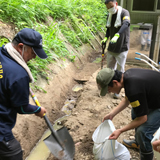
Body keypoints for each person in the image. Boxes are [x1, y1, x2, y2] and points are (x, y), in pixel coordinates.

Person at [0, 28, 47, 160]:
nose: (34, 57)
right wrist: (38, 109)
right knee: (13, 154)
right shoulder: (19, 75)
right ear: (21, 47)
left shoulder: (2, 52)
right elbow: (21, 107)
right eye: (33, 52)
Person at [96, 68, 160, 160]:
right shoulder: (127, 76)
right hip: (155, 97)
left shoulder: (133, 88)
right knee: (135, 112)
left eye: (108, 89)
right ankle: (138, 143)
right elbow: (127, 98)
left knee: (142, 131)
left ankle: (146, 155)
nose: (109, 92)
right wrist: (112, 114)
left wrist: (120, 130)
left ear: (115, 82)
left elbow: (143, 119)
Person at [101, 0, 130, 99]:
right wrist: (106, 37)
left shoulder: (124, 12)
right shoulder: (110, 14)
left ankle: (118, 90)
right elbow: (108, 28)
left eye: (111, 6)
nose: (109, 9)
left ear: (116, 4)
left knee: (120, 70)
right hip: (112, 47)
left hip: (122, 47)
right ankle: (109, 86)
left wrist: (118, 34)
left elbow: (126, 24)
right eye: (107, 7)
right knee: (110, 68)